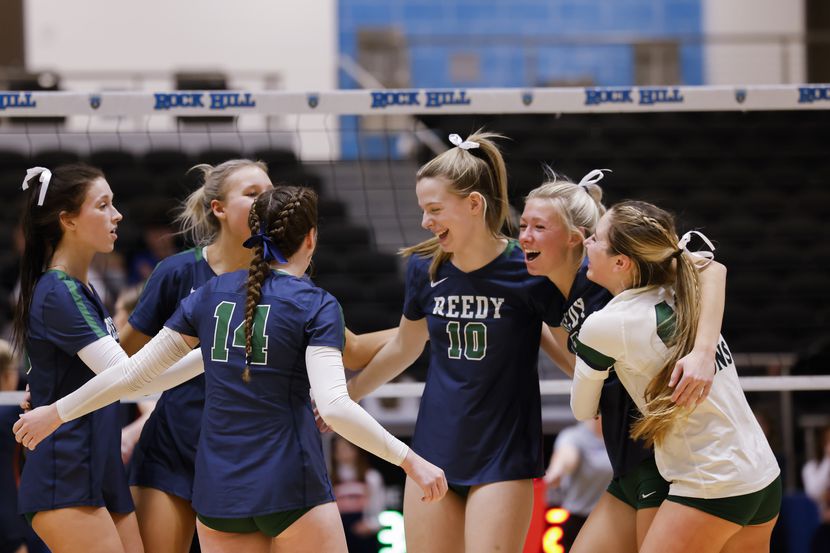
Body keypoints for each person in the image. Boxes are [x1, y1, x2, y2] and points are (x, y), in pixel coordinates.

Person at [13, 186, 447, 553]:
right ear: (311, 239)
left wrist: (56, 412)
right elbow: (333, 408)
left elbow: (134, 375)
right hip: (290, 486)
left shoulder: (210, 294)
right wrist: (410, 461)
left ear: (253, 236)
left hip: (219, 495)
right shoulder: (315, 303)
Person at [347, 131, 563, 553]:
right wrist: (349, 394)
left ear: (474, 204)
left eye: (434, 210)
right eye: (422, 210)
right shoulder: (425, 268)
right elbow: (405, 347)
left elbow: (575, 359)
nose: (425, 222)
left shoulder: (528, 268)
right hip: (434, 448)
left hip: (504, 451)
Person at [519, 170, 727, 552]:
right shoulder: (546, 292)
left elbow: (711, 269)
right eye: (522, 225)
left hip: (660, 454)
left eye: (537, 226)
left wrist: (703, 351)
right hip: (623, 457)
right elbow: (581, 365)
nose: (524, 236)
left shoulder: (613, 272)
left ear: (575, 237)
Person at [571, 200, 781, 553]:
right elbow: (714, 268)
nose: (586, 244)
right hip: (762, 475)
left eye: (594, 238)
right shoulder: (685, 285)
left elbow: (582, 410)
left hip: (710, 485)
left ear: (622, 262)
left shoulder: (606, 324)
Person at [12, 164, 143, 553]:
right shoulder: (58, 291)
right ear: (67, 220)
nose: (116, 215)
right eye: (103, 205)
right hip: (65, 472)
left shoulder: (79, 289)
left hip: (99, 467)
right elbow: (125, 374)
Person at [543, 417, 612, 551]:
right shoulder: (573, 436)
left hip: (610, 520)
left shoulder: (623, 438)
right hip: (578, 519)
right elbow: (567, 457)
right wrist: (557, 471)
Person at [331, 435, 386, 553]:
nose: (343, 453)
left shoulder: (371, 477)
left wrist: (370, 525)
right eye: (339, 449)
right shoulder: (329, 479)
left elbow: (378, 507)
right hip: (340, 536)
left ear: (356, 450)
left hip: (364, 536)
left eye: (347, 448)